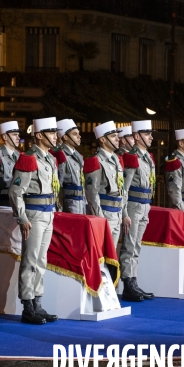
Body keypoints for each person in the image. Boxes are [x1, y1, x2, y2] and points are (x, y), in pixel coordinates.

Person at [9, 117, 60, 325]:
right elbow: (15, 191)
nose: (56, 136)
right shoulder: (29, 158)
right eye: (51, 132)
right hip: (34, 214)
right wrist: (22, 218)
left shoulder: (50, 158)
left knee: (41, 260)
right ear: (39, 135)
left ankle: (38, 302)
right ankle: (28, 305)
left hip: (48, 213)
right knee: (30, 260)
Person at [120, 120, 156, 302]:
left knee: (137, 246)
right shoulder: (132, 157)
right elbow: (124, 189)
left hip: (144, 204)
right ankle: (127, 283)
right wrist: (124, 213)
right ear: (136, 136)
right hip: (133, 205)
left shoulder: (147, 157)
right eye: (147, 133)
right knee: (129, 245)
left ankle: (133, 280)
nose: (151, 137)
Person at [84, 121, 131, 252]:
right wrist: (99, 219)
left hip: (117, 214)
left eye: (117, 135)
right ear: (103, 139)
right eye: (113, 136)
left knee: (111, 254)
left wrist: (123, 213)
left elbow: (122, 190)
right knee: (101, 253)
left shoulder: (116, 159)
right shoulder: (95, 161)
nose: (118, 139)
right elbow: (92, 194)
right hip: (105, 214)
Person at [50, 119, 86, 214]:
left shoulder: (78, 156)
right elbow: (59, 185)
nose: (79, 136)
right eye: (75, 134)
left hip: (81, 203)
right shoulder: (61, 155)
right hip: (69, 205)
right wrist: (59, 208)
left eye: (78, 133)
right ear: (65, 137)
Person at [0, 121, 20, 206]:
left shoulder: (20, 155)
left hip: (19, 201)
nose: (18, 137)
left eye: (18, 134)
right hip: (3, 202)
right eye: (14, 134)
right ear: (5, 137)